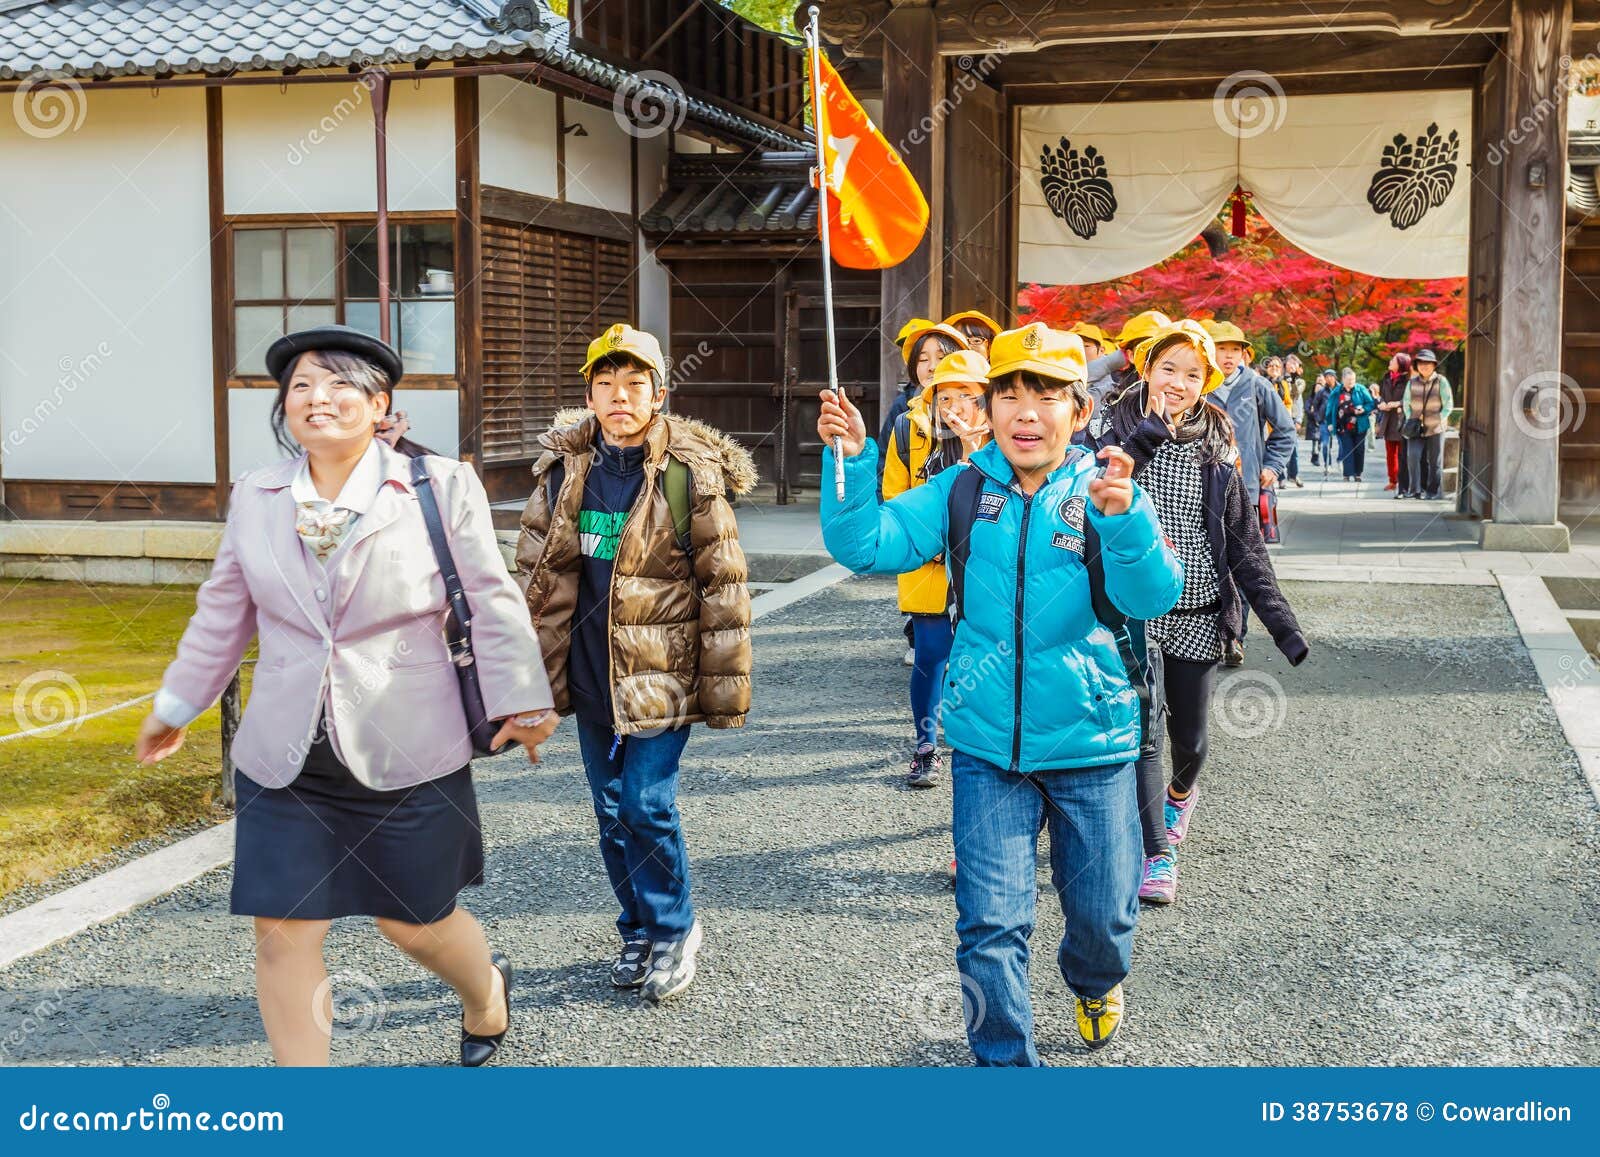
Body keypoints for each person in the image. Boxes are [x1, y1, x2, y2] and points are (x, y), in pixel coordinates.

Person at [135, 326, 558, 1068]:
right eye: (300, 385)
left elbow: (493, 602)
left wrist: (523, 700)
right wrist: (178, 702)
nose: (315, 398)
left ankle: (487, 991)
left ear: (378, 402)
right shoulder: (258, 495)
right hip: (286, 753)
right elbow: (223, 611)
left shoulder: (440, 485)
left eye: (337, 383)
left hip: (408, 743)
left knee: (415, 923)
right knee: (283, 931)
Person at [818, 322, 1183, 1065]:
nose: (1026, 409)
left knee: (1104, 920)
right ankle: (1005, 1072)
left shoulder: (1107, 489)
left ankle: (1094, 980)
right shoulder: (961, 488)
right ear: (986, 408)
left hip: (1093, 743)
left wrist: (1127, 520)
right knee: (988, 924)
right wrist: (851, 462)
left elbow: (1153, 596)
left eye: (1045, 393)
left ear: (1078, 412)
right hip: (987, 747)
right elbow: (866, 544)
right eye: (1009, 392)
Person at [514, 323, 754, 1005]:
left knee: (648, 802)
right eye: (606, 384)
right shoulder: (564, 470)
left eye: (634, 384)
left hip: (661, 670)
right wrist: (529, 673)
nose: (620, 397)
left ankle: (676, 928)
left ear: (659, 393)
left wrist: (724, 687)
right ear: (589, 393)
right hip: (591, 672)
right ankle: (638, 927)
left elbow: (724, 584)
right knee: (610, 808)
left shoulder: (685, 474)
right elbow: (535, 575)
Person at [1083, 321, 1309, 904]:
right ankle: (1157, 851)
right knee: (1141, 729)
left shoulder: (1217, 444)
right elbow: (1095, 491)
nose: (1179, 382)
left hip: (1199, 609)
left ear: (1206, 381)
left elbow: (1243, 544)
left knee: (1191, 736)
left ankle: (1182, 797)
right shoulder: (1110, 425)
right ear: (1146, 368)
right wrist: (1149, 436)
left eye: (1193, 373)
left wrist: (1282, 625)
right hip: (1129, 611)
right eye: (1168, 369)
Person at [882, 348, 993, 788]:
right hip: (926, 564)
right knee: (931, 653)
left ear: (985, 398)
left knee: (982, 655)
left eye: (965, 394)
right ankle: (925, 746)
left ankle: (980, 744)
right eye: (943, 397)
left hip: (984, 566)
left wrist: (973, 447)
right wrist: (921, 541)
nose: (953, 406)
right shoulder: (910, 430)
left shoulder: (1006, 437)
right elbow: (895, 495)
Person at [1200, 320, 1294, 666]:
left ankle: (1234, 638)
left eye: (1234, 350)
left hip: (1247, 488)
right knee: (1207, 564)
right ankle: (1210, 632)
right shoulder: (1200, 384)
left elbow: (1284, 429)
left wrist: (1273, 467)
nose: (1227, 356)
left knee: (1243, 565)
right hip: (1202, 488)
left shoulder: (1258, 386)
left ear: (1244, 354)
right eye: (1221, 349)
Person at [1404, 349, 1455, 501]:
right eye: (1421, 363)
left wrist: (1440, 418)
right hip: (1415, 427)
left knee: (1434, 461)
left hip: (1435, 427)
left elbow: (1449, 404)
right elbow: (1406, 403)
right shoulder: (1411, 382)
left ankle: (1433, 492)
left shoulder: (1441, 381)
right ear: (1417, 365)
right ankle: (1415, 490)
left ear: (1434, 365)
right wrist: (1410, 417)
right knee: (1412, 456)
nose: (1424, 366)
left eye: (1428, 363)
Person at [1088, 309, 1171, 402]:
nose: (1155, 354)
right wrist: (1113, 361)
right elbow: (1083, 377)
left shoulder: (1182, 390)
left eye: (1161, 347)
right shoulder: (1117, 392)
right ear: (1131, 355)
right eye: (1145, 348)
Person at [1374, 352, 1412, 494]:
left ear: (1401, 364)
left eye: (1393, 360)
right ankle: (1392, 480)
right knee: (1390, 453)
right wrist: (1382, 403)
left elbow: (1412, 398)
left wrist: (1398, 403)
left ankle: (1403, 481)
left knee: (1403, 454)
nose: (1390, 361)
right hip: (1388, 420)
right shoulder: (1386, 377)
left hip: (1402, 420)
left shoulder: (1408, 380)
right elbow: (1382, 396)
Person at [1329, 367, 1376, 481]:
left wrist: (1363, 410)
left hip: (1359, 424)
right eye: (1349, 380)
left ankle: (1358, 473)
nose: (1351, 382)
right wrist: (1330, 422)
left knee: (1359, 449)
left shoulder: (1361, 389)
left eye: (1353, 379)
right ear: (1343, 379)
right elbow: (1330, 408)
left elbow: (1371, 403)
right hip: (1343, 425)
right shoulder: (1337, 391)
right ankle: (1347, 474)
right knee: (1347, 449)